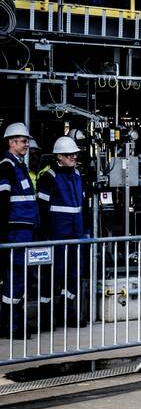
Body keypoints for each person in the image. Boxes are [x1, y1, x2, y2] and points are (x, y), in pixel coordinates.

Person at [37, 136, 86, 325]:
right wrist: (44, 234)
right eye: (69, 154)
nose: (73, 157)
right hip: (56, 235)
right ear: (59, 157)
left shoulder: (78, 176)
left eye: (74, 153)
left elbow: (83, 206)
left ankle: (68, 314)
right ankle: (46, 317)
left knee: (74, 274)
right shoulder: (49, 177)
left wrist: (85, 230)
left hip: (76, 233)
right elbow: (41, 207)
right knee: (52, 275)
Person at [0, 122, 39, 336]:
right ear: (11, 142)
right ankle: (10, 325)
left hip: (25, 229)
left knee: (22, 278)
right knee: (15, 277)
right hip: (15, 230)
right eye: (23, 141)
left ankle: (17, 322)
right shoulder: (7, 166)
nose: (26, 145)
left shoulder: (19, 166)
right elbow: (3, 201)